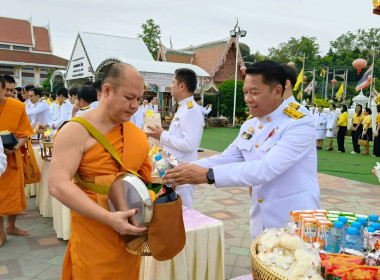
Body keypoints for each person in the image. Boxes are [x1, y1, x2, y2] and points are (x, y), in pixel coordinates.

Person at [162, 60, 321, 239]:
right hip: (261, 220)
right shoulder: (251, 125)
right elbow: (228, 157)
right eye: (245, 92)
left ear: (277, 91)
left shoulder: (299, 123)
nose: (247, 99)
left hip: (292, 221)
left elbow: (266, 168)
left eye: (254, 93)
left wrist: (208, 175)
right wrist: (183, 170)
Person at [48, 63, 150, 279]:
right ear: (107, 91)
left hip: (130, 234)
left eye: (139, 99)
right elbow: (58, 184)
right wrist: (109, 218)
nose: (135, 106)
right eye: (129, 97)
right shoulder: (76, 130)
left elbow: (143, 180)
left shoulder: (135, 134)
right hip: (94, 231)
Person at [147, 68, 204, 209]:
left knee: (183, 211)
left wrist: (162, 135)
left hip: (183, 171)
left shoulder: (191, 110)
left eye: (173, 83)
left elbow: (190, 144)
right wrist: (162, 134)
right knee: (171, 208)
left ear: (182, 86)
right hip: (173, 166)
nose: (171, 86)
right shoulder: (183, 108)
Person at [0, 75, 34, 247]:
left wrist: (15, 147)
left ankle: (11, 226)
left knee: (13, 195)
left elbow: (24, 133)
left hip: (11, 157)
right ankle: (0, 233)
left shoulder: (17, 107)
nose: (8, 92)